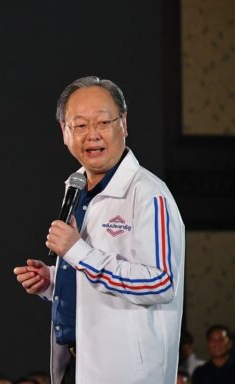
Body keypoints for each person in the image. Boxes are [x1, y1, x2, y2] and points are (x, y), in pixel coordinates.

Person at [13, 76, 185, 383]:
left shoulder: (149, 194)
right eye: (79, 125)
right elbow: (92, 273)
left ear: (124, 124)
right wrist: (54, 280)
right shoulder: (76, 186)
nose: (92, 135)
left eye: (103, 122)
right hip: (76, 363)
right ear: (64, 132)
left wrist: (77, 252)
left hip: (127, 372)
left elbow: (160, 282)